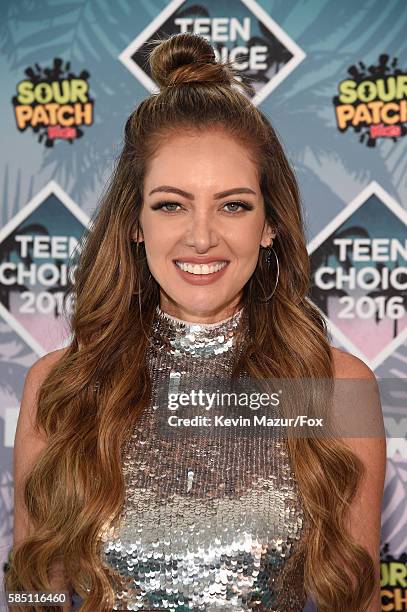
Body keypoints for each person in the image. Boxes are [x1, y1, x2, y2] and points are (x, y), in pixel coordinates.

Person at [4, 32, 386, 612]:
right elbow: (34, 595)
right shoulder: (63, 385)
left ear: (269, 225)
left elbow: (356, 602)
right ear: (136, 224)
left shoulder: (336, 389)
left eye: (233, 205)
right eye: (170, 204)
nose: (201, 236)